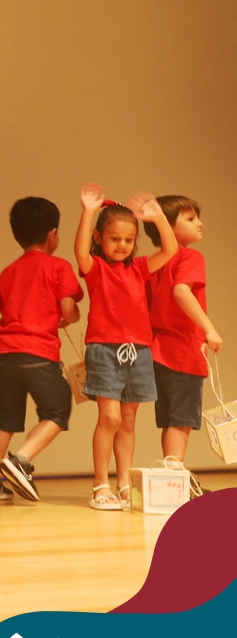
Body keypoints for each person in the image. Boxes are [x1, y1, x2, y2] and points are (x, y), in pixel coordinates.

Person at [74, 184, 177, 510]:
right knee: (110, 416)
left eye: (128, 240)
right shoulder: (96, 268)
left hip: (139, 351)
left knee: (128, 419)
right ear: (99, 238)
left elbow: (170, 249)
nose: (121, 245)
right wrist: (88, 212)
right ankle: (99, 484)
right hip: (104, 350)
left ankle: (122, 484)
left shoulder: (140, 268)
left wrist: (158, 216)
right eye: (114, 238)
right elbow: (80, 252)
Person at [0, 197, 83, 503]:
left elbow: (8, 309)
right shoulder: (59, 267)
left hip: (5, 353)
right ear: (53, 234)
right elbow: (68, 308)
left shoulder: (8, 272)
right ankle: (21, 460)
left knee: (5, 419)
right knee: (57, 410)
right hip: (39, 352)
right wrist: (69, 317)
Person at [146, 196, 222, 497]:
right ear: (166, 226)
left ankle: (174, 478)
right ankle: (175, 480)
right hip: (182, 350)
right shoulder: (189, 257)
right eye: (190, 219)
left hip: (157, 351)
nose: (199, 223)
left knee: (171, 420)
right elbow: (181, 291)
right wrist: (209, 329)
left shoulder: (153, 262)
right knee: (181, 420)